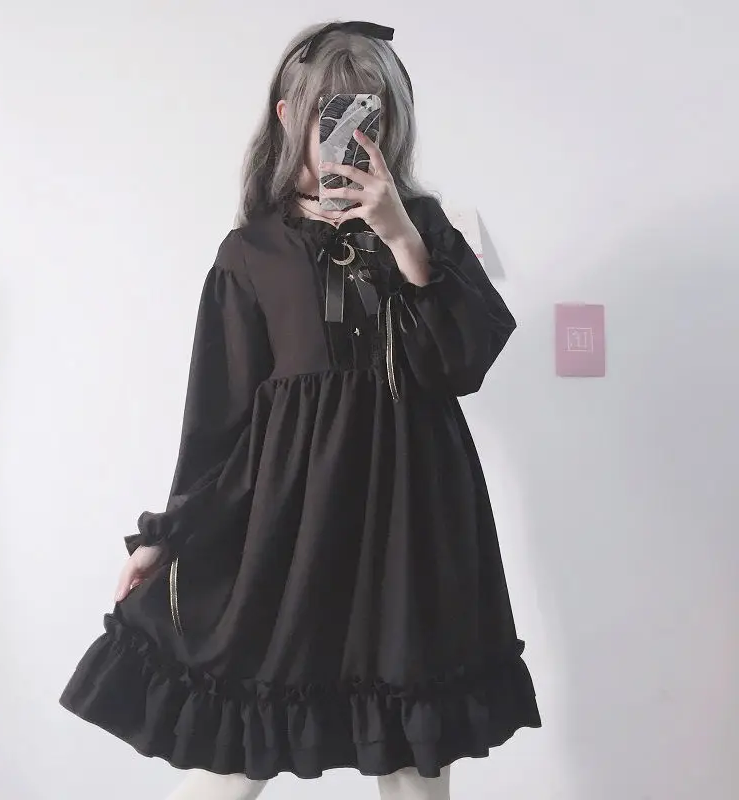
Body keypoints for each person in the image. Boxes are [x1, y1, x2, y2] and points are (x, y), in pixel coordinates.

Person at [60, 20, 541, 800]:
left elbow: (463, 364)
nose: (350, 135)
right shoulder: (252, 253)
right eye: (331, 114)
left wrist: (402, 239)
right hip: (290, 529)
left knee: (416, 759)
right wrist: (168, 534)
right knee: (232, 755)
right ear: (290, 116)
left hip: (413, 524)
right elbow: (216, 418)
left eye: (368, 115)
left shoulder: (426, 230)